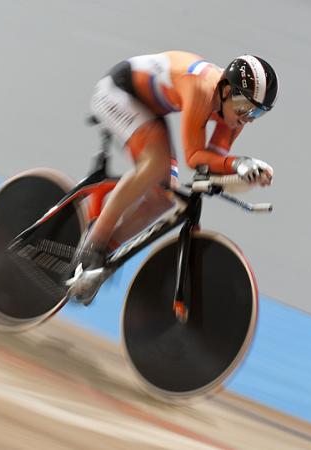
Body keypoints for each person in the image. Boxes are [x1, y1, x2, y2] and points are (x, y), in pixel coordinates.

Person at [67, 51, 278, 305]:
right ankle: (91, 247)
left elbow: (213, 162)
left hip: (148, 109)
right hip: (118, 92)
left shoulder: (233, 112)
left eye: (257, 114)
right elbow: (195, 157)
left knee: (164, 197)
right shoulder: (200, 88)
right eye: (245, 109)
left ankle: (103, 258)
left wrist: (248, 174)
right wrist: (238, 164)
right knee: (155, 165)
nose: (247, 119)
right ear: (225, 90)